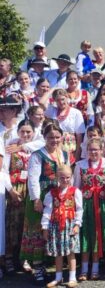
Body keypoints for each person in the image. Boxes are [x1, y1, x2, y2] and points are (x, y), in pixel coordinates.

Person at [25, 123, 71, 284]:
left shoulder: (64, 154)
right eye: (51, 137)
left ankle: (47, 266)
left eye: (57, 137)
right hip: (42, 197)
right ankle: (37, 268)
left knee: (52, 231)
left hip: (58, 197)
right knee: (39, 231)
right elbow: (33, 179)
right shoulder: (37, 155)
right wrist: (36, 199)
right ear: (44, 137)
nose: (54, 140)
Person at [73, 138, 105, 281]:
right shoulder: (80, 165)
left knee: (97, 235)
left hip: (102, 206)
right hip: (86, 205)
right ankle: (84, 269)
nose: (93, 152)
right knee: (86, 235)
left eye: (96, 149)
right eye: (91, 149)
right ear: (87, 150)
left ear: (102, 150)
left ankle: (95, 268)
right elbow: (76, 187)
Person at [41, 164, 83, 288]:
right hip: (55, 225)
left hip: (69, 225)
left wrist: (77, 224)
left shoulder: (75, 192)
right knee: (58, 253)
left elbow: (79, 209)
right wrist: (45, 227)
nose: (65, 180)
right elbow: (48, 211)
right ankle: (58, 277)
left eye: (68, 177)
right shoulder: (51, 193)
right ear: (57, 178)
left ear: (71, 177)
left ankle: (72, 277)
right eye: (62, 177)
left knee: (71, 252)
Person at [4, 119, 35, 273]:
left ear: (33, 133)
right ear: (18, 132)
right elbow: (4, 170)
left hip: (29, 189)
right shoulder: (11, 146)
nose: (25, 134)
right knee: (13, 224)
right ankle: (9, 258)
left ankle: (24, 258)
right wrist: (11, 190)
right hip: (15, 188)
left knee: (26, 224)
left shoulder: (34, 148)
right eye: (22, 131)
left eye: (28, 131)